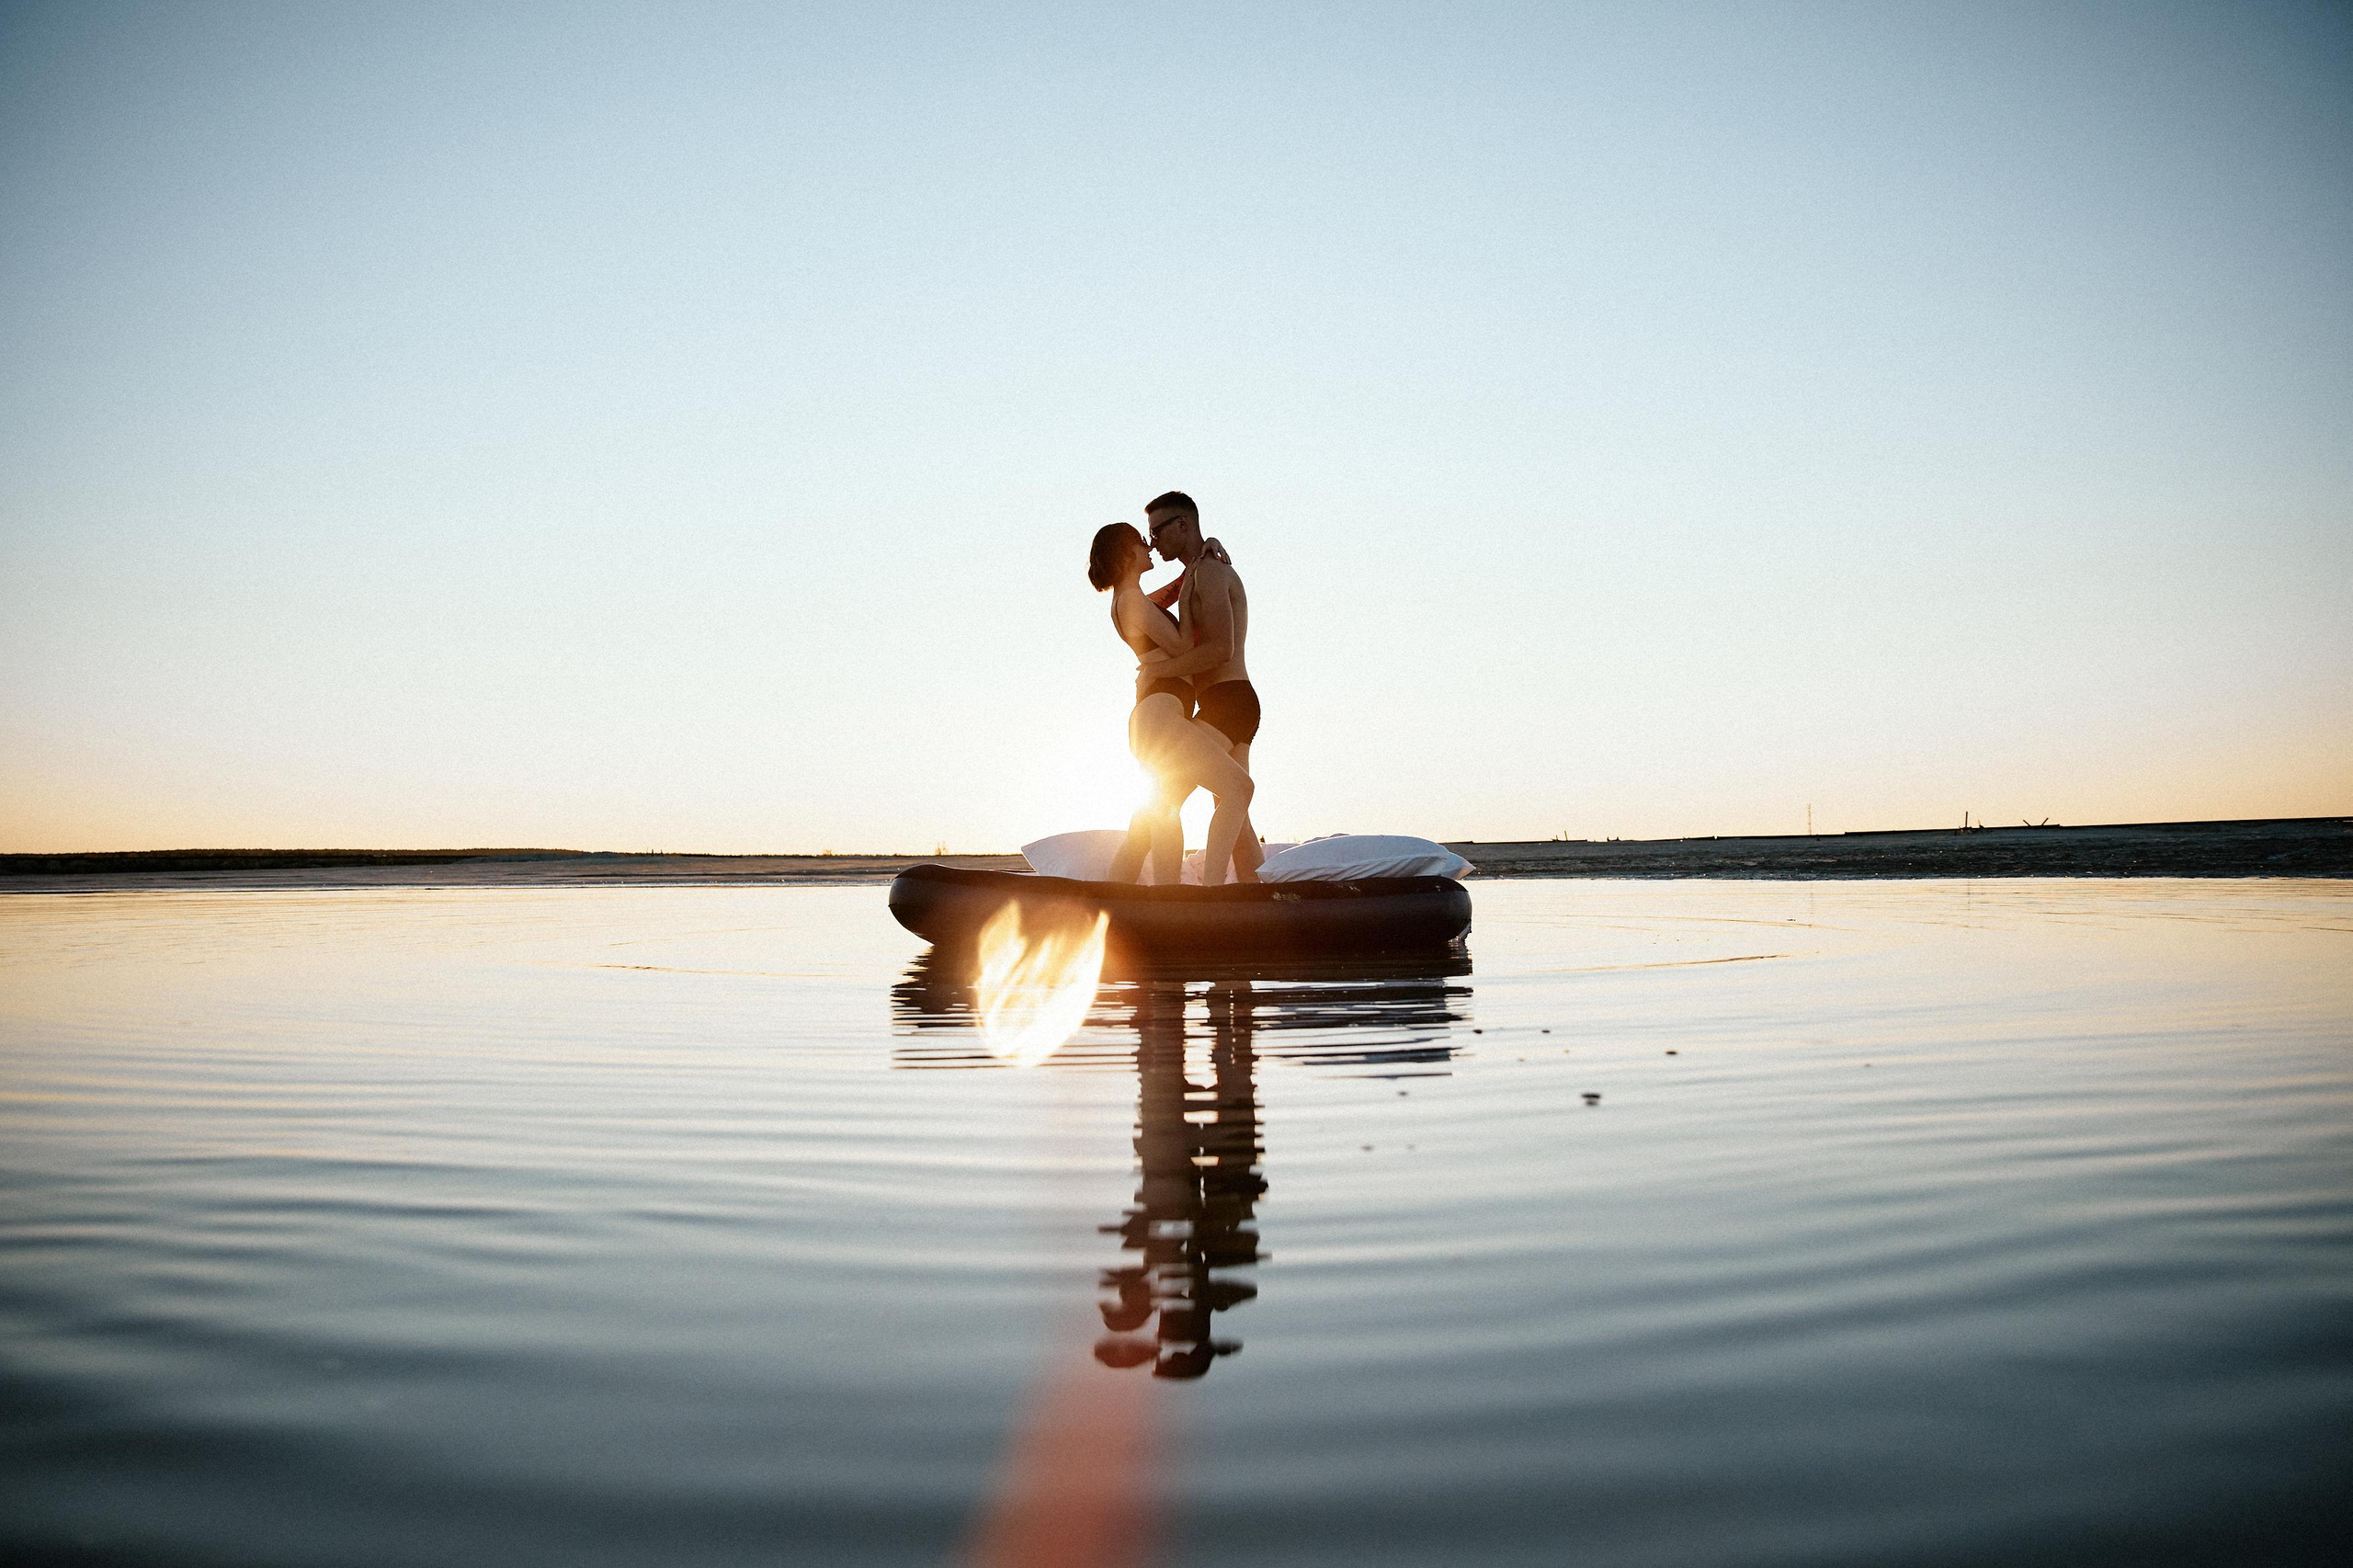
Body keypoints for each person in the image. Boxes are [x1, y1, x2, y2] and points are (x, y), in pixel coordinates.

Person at [1086, 521, 1255, 887]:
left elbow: (1171, 598)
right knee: (1239, 789)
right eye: (1142, 542)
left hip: (1155, 718)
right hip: (1160, 717)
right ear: (1128, 553)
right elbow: (1183, 645)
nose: (1149, 547)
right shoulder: (1131, 600)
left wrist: (1199, 558)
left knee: (1159, 814)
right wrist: (1192, 586)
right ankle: (1209, 897)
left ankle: (1147, 899)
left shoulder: (1132, 600)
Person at [1127, 492, 1262, 883]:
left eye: (1157, 532)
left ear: (1182, 524)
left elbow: (1222, 649)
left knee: (1164, 795)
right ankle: (1264, 905)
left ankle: (1207, 894)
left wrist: (1160, 670)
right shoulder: (1197, 572)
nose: (1152, 542)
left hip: (1228, 703)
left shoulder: (1211, 573)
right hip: (1231, 704)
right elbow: (1147, 604)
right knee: (1238, 820)